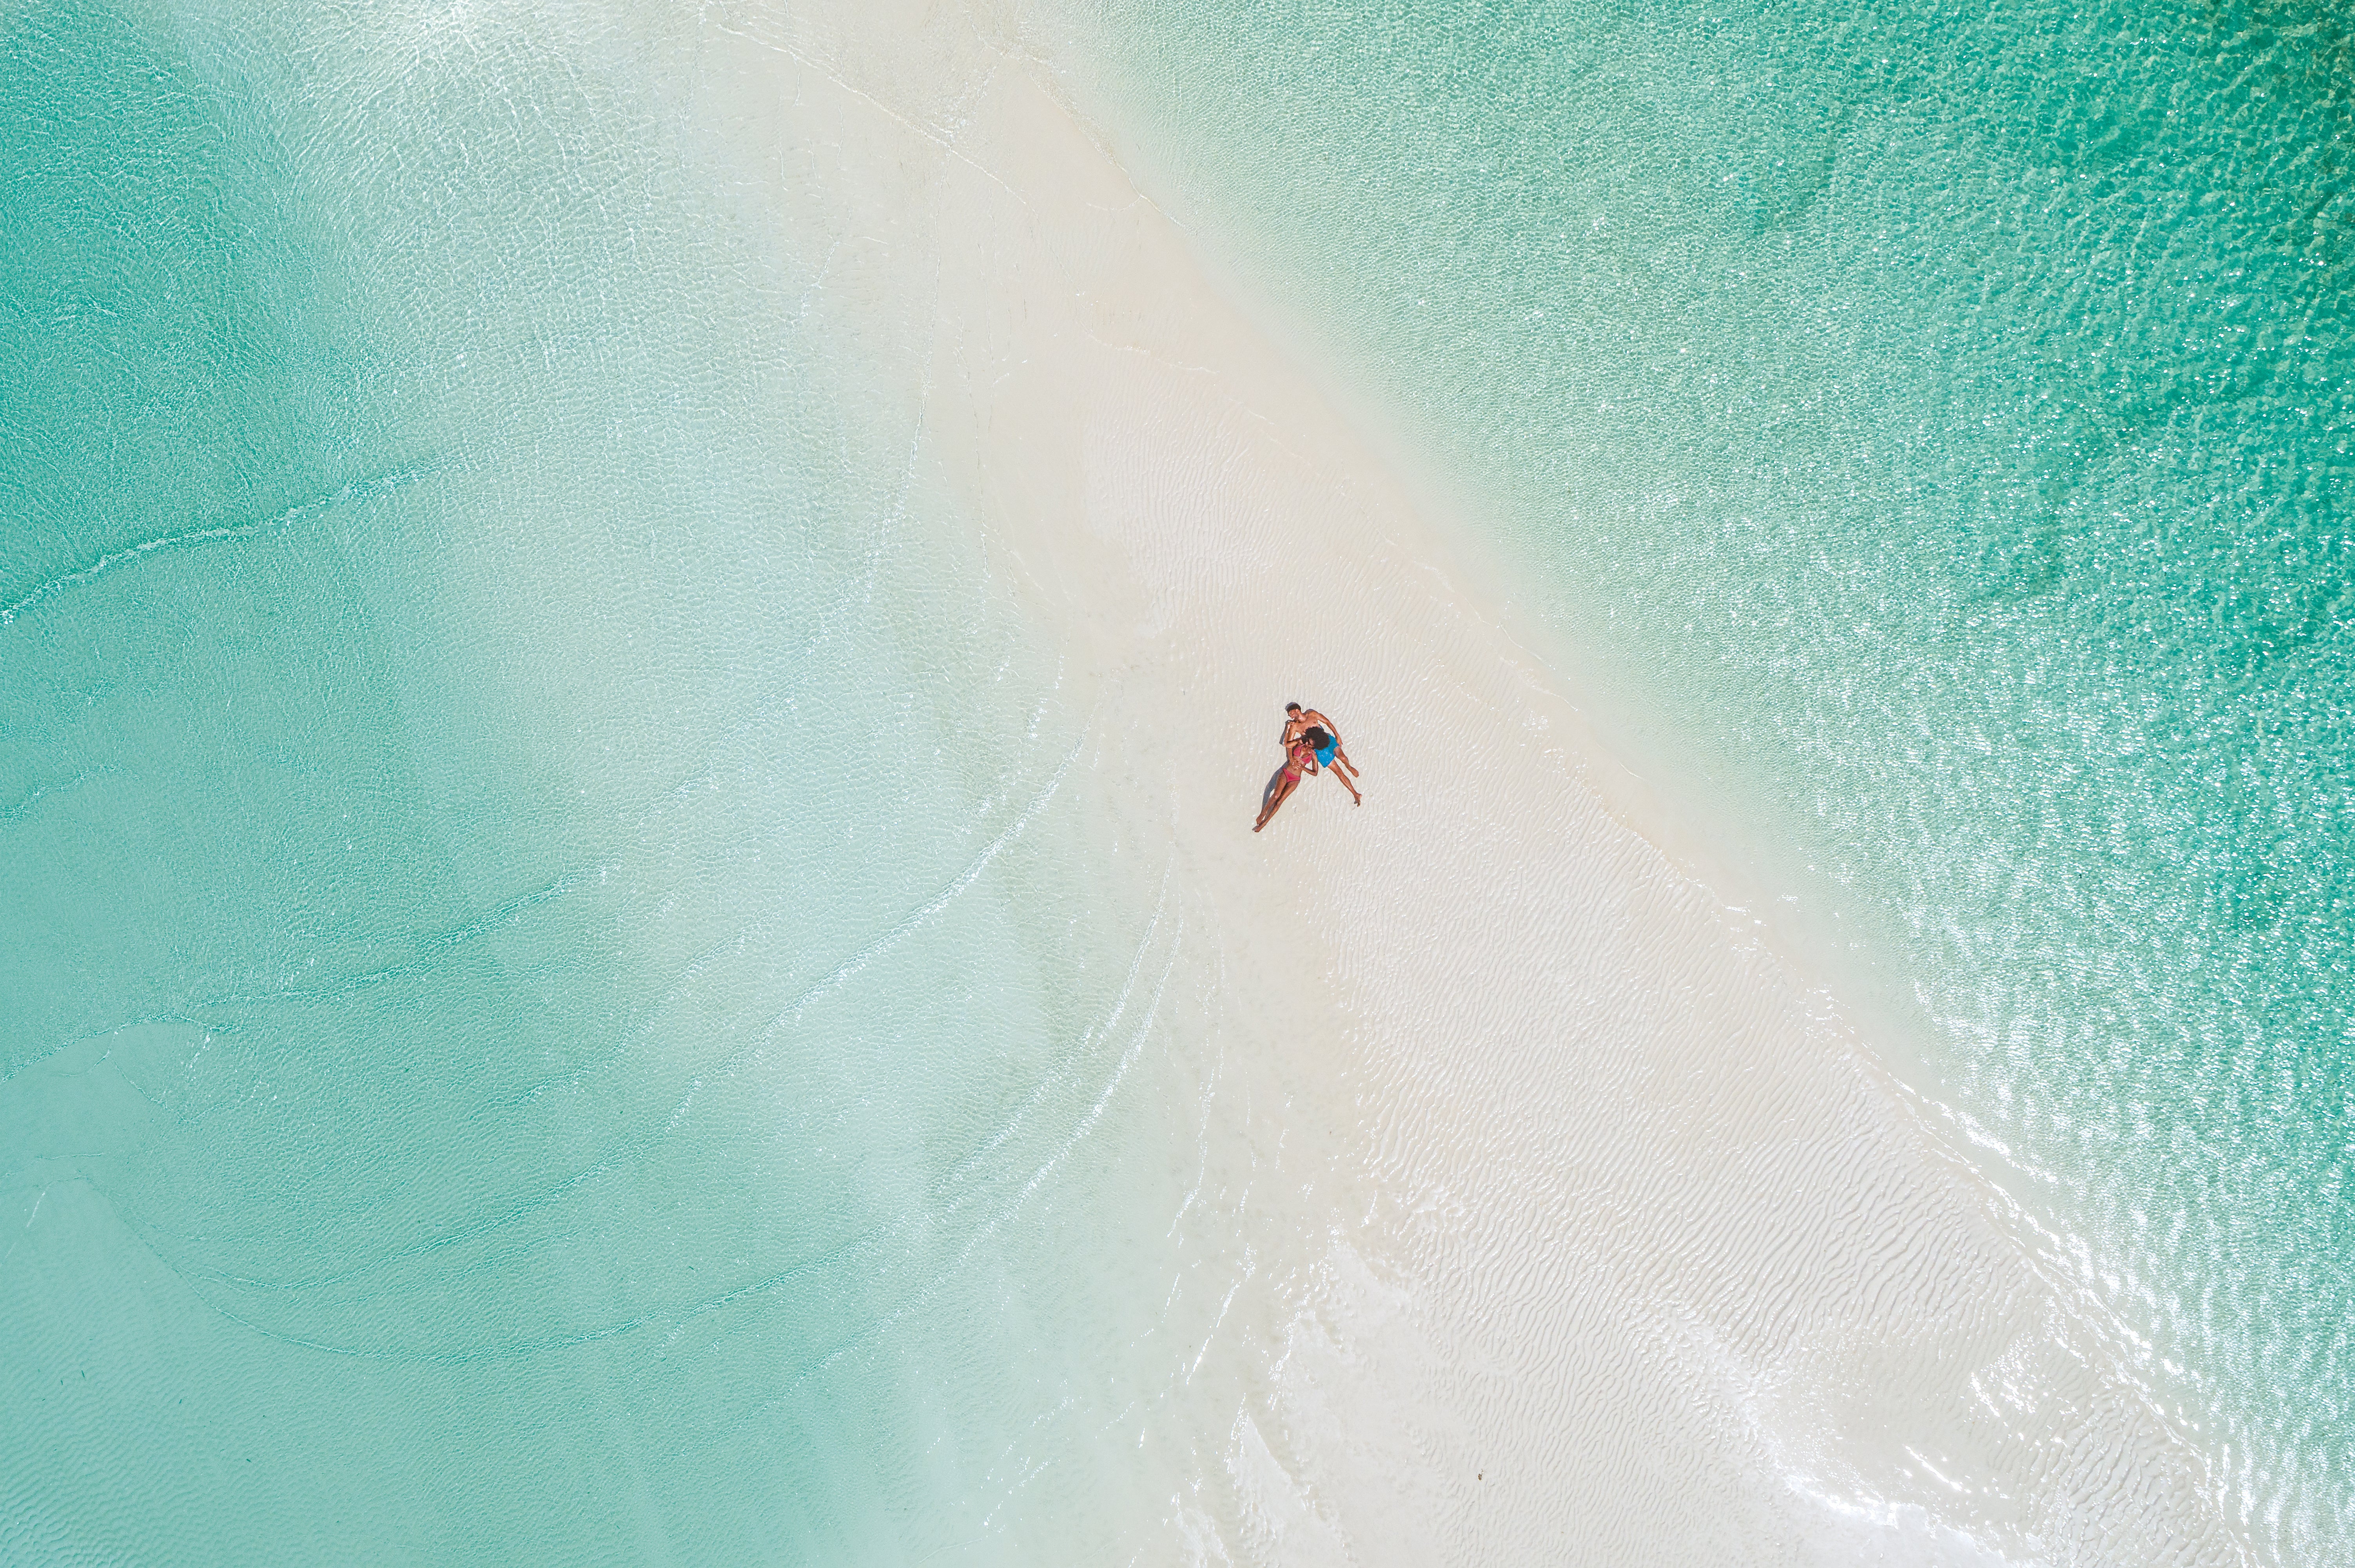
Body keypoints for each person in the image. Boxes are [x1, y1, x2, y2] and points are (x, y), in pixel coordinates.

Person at [1283, 702, 1363, 797]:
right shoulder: (1295, 726)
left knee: (1342, 757)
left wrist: (1338, 736)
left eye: (1291, 713)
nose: (1290, 716)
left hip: (1328, 740)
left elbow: (1327, 722)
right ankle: (1355, 794)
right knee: (1339, 772)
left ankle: (1348, 766)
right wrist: (1291, 759)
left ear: (1297, 710)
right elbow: (1289, 744)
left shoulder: (1312, 714)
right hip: (1319, 750)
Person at [1253, 732, 1320, 832]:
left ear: (1314, 746)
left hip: (1296, 779)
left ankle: (1264, 823)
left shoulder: (1314, 756)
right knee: (1276, 796)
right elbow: (1288, 745)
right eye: (1308, 741)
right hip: (1286, 772)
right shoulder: (1299, 743)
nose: (1307, 744)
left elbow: (1315, 773)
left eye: (1310, 744)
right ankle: (1263, 813)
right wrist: (1292, 758)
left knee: (1280, 801)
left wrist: (1303, 768)